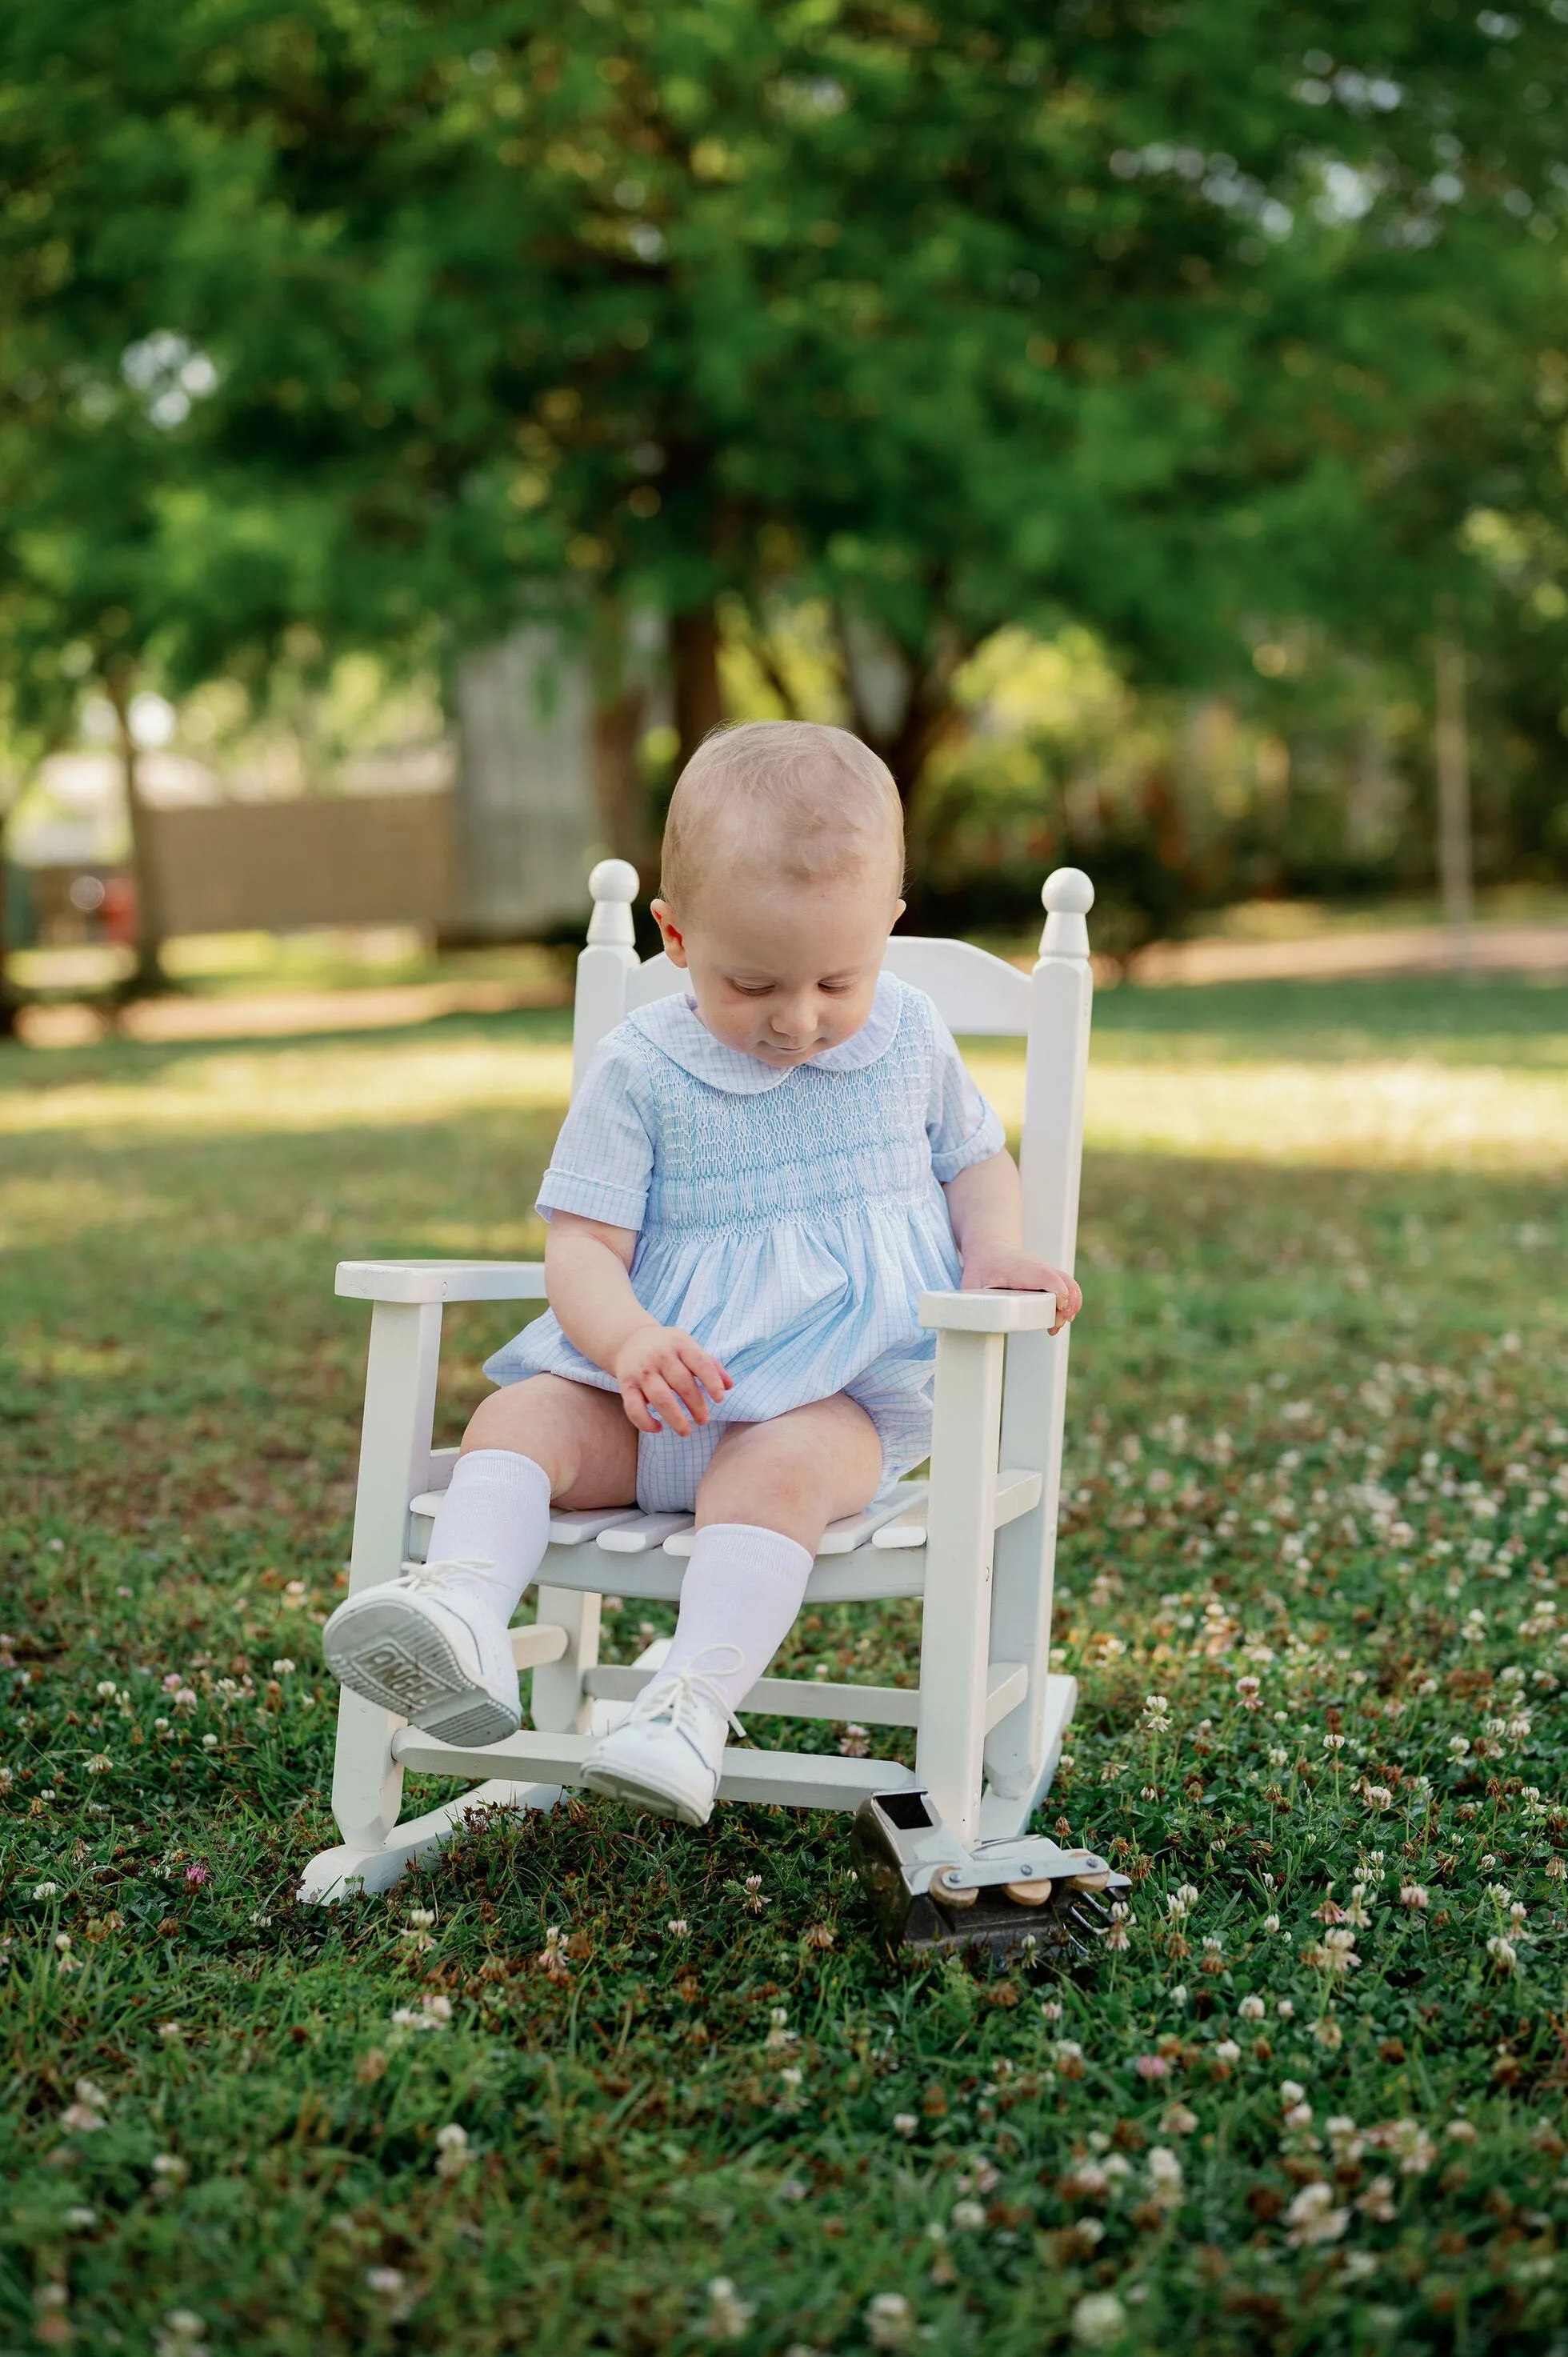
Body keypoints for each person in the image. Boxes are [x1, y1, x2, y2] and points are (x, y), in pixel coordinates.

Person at [322, 720, 1082, 1824]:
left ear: (889, 929)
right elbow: (582, 1246)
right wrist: (627, 1342)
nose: (797, 1018)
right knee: (518, 1416)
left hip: (828, 1405)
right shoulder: (642, 1068)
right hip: (642, 1400)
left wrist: (996, 1251)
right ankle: (462, 1611)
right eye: (753, 980)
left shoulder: (910, 1037)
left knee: (771, 1472)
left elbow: (975, 1161)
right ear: (675, 937)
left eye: (838, 976)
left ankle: (686, 1705)